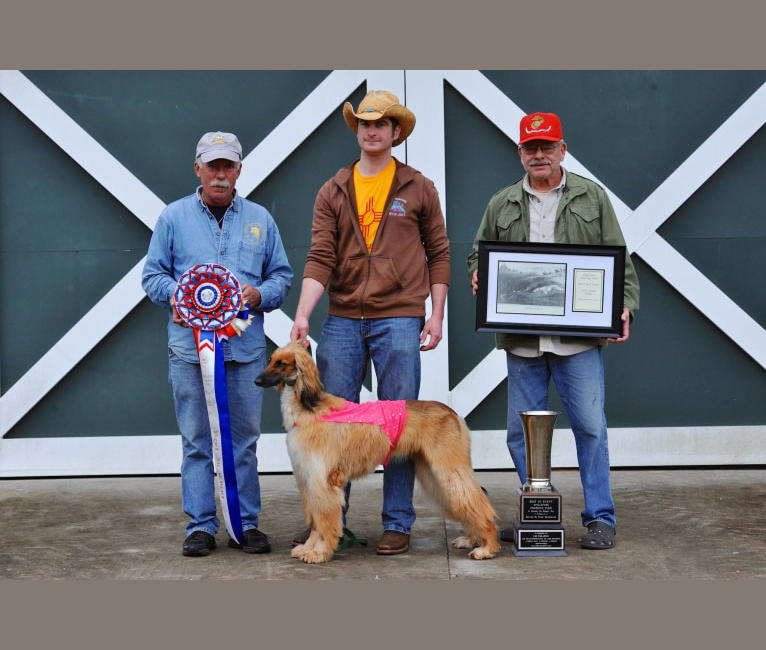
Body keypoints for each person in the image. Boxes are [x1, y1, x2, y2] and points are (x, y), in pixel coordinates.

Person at [468, 112, 639, 550]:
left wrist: (624, 306)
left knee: (590, 427)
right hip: (523, 343)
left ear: (562, 150)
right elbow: (478, 256)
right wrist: (479, 276)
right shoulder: (501, 202)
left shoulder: (591, 198)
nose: (539, 154)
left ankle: (600, 517)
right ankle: (536, 513)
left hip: (578, 341)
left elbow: (619, 260)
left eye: (547, 146)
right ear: (520, 153)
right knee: (518, 434)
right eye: (531, 147)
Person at [289, 90, 450, 555]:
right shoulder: (334, 188)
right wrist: (303, 314)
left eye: (381, 124)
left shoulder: (418, 187)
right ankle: (326, 522)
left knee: (397, 424)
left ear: (396, 132)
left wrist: (436, 314)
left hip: (400, 318)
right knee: (331, 424)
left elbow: (439, 253)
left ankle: (397, 522)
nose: (372, 130)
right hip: (340, 320)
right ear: (356, 130)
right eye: (364, 123)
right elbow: (320, 256)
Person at [142, 131, 293, 557]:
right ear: (198, 169)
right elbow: (152, 276)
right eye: (213, 166)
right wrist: (177, 296)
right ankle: (201, 526)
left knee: (244, 441)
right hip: (190, 353)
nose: (221, 175)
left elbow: (281, 275)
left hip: (245, 355)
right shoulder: (172, 219)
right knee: (196, 442)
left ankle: (245, 524)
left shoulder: (261, 219)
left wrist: (257, 295)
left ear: (240, 170)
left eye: (229, 166)